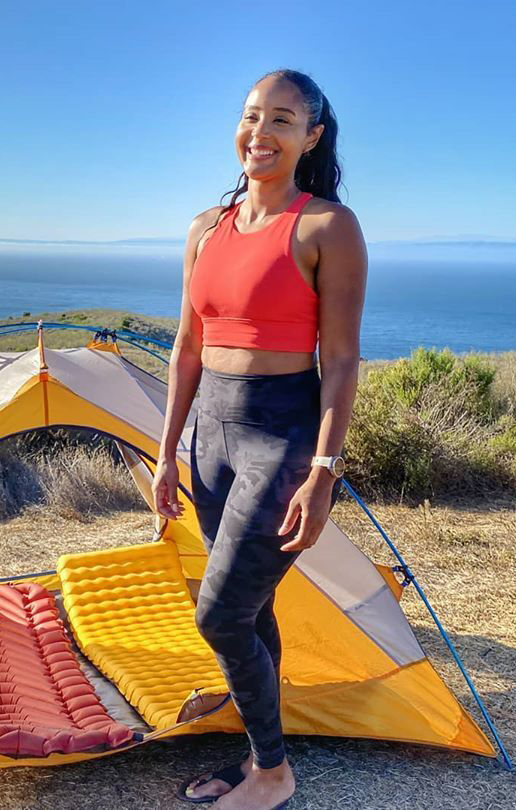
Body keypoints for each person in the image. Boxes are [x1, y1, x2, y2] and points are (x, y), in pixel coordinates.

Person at [153, 69, 367, 809]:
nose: (261, 133)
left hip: (281, 436)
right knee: (252, 608)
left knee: (218, 613)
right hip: (210, 434)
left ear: (310, 137)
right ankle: (257, 756)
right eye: (251, 116)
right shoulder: (204, 228)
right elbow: (186, 346)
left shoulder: (326, 227)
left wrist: (324, 472)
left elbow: (339, 360)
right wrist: (166, 448)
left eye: (282, 120)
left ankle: (274, 773)